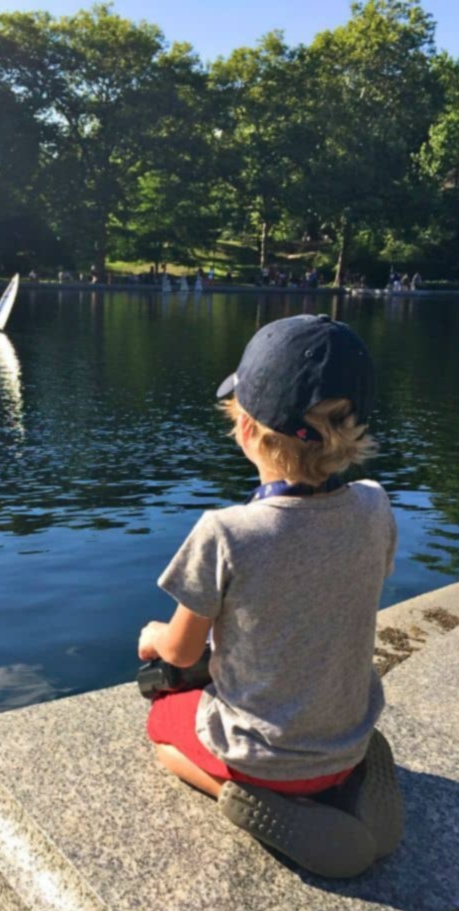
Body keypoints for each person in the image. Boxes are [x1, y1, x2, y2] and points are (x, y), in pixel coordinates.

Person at [138, 313, 400, 876]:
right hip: (346, 739)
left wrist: (154, 635)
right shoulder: (375, 505)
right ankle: (349, 784)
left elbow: (181, 655)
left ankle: (255, 802)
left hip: (261, 759)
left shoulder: (227, 532)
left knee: (161, 728)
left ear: (247, 430)